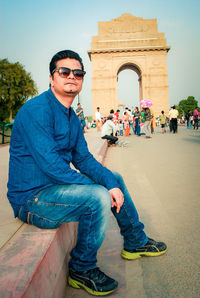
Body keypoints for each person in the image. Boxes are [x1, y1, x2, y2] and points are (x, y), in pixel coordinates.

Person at [7, 50, 167, 296]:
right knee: (97, 196)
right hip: (32, 199)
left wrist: (109, 182)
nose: (72, 76)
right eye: (64, 71)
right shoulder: (36, 110)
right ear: (52, 78)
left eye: (78, 72)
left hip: (55, 189)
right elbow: (52, 165)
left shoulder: (71, 116)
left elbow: (82, 159)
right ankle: (81, 268)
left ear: (82, 78)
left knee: (114, 179)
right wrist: (102, 188)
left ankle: (135, 240)